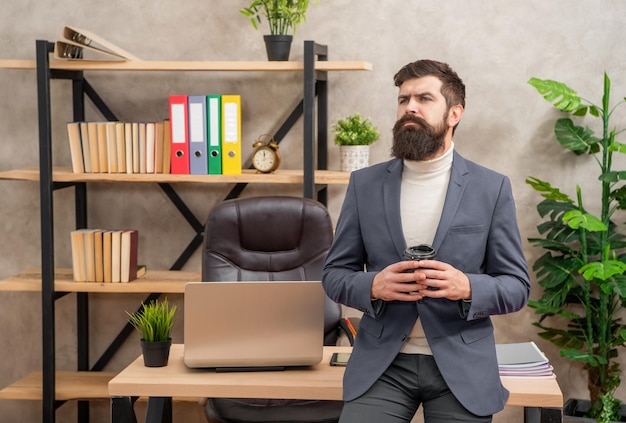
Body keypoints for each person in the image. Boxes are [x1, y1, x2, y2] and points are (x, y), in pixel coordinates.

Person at [322, 59, 530, 423]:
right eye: (403, 100)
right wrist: (374, 284)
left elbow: (516, 286)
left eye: (423, 98)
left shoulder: (491, 188)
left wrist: (467, 286)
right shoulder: (364, 185)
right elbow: (335, 274)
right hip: (383, 364)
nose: (410, 108)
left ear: (454, 113)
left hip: (461, 364)